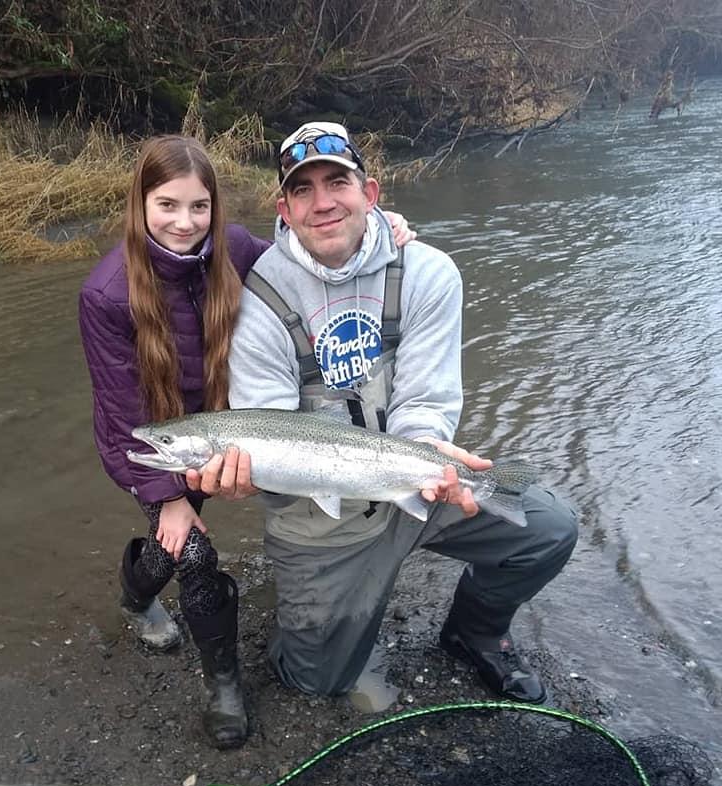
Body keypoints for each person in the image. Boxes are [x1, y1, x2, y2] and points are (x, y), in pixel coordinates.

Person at [187, 121, 578, 707]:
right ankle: (321, 620)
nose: (322, 203)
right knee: (315, 681)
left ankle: (474, 634)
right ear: (284, 210)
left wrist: (430, 456)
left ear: (370, 194)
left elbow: (425, 398)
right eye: (303, 190)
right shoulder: (258, 298)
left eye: (336, 183)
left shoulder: (428, 272)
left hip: (413, 483)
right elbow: (267, 422)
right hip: (321, 520)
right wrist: (246, 476)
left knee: (547, 527)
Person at [78, 134, 415, 748]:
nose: (185, 223)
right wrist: (169, 495)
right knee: (193, 551)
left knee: (172, 548)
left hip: (231, 424)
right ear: (139, 205)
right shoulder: (105, 294)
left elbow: (302, 260)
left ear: (215, 208)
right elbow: (120, 409)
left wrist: (377, 228)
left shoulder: (231, 247)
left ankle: (135, 595)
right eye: (167, 205)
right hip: (155, 439)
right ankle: (224, 687)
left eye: (199, 206)